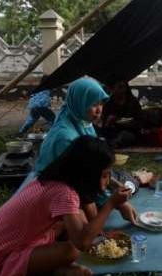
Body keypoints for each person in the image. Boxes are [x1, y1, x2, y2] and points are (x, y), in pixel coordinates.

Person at [0, 136, 133, 276]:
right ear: (87, 174)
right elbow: (82, 242)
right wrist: (110, 204)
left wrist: (99, 236)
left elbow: (84, 222)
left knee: (74, 222)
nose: (108, 179)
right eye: (105, 175)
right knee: (71, 250)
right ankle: (54, 271)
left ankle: (53, 268)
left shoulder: (53, 179)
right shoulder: (64, 194)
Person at [34, 77, 138, 225]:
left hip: (81, 178)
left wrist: (114, 184)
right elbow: (82, 182)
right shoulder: (65, 138)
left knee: (124, 182)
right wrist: (115, 203)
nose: (99, 109)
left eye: (101, 103)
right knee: (88, 217)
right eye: (94, 104)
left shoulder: (82, 121)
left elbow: (95, 165)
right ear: (80, 102)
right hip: (59, 188)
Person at [99, 79, 142, 148]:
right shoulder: (108, 104)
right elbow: (104, 125)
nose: (122, 90)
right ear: (112, 89)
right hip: (113, 132)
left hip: (130, 132)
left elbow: (140, 122)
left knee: (125, 135)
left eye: (123, 87)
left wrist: (128, 123)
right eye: (119, 87)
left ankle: (113, 143)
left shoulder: (133, 102)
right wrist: (108, 121)